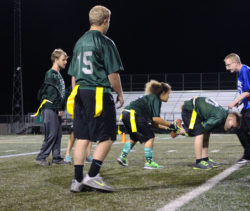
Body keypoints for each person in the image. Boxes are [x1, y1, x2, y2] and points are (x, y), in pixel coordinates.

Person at [68, 5, 124, 193]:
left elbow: (74, 75)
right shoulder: (105, 41)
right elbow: (113, 74)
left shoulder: (79, 42)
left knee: (82, 137)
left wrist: (77, 92)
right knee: (108, 136)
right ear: (105, 21)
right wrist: (120, 94)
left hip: (79, 91)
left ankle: (77, 180)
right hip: (98, 91)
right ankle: (92, 175)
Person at [117, 80, 182, 169]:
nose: (169, 96)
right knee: (150, 137)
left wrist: (168, 129)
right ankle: (149, 163)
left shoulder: (149, 98)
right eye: (168, 94)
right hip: (134, 115)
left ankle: (122, 157)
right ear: (163, 92)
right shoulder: (156, 98)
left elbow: (154, 123)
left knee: (134, 137)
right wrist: (172, 126)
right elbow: (156, 119)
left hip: (125, 114)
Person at [181, 97, 241, 170]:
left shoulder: (223, 114)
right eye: (232, 126)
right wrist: (191, 132)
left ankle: (205, 159)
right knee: (200, 133)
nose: (231, 129)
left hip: (195, 110)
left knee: (206, 133)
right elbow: (203, 128)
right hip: (190, 110)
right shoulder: (220, 117)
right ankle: (198, 161)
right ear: (230, 119)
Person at [35, 49, 69, 166]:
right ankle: (41, 157)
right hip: (51, 107)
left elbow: (61, 93)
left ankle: (57, 158)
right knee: (52, 133)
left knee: (58, 134)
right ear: (56, 59)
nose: (65, 62)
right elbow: (52, 92)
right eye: (63, 60)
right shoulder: (51, 74)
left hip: (55, 107)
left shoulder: (58, 74)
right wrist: (59, 108)